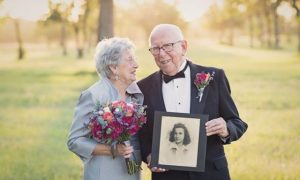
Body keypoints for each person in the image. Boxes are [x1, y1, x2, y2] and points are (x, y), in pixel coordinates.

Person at [137, 24, 248, 180]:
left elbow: (237, 123)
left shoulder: (214, 77)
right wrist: (149, 156)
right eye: (155, 49)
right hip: (167, 176)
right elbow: (141, 135)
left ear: (183, 46)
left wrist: (226, 129)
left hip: (211, 173)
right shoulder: (143, 88)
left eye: (167, 46)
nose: (161, 54)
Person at [67, 37, 143, 180]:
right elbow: (74, 141)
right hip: (104, 173)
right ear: (113, 67)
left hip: (133, 173)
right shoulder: (94, 95)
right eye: (130, 60)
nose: (136, 65)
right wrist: (112, 150)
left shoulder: (137, 95)